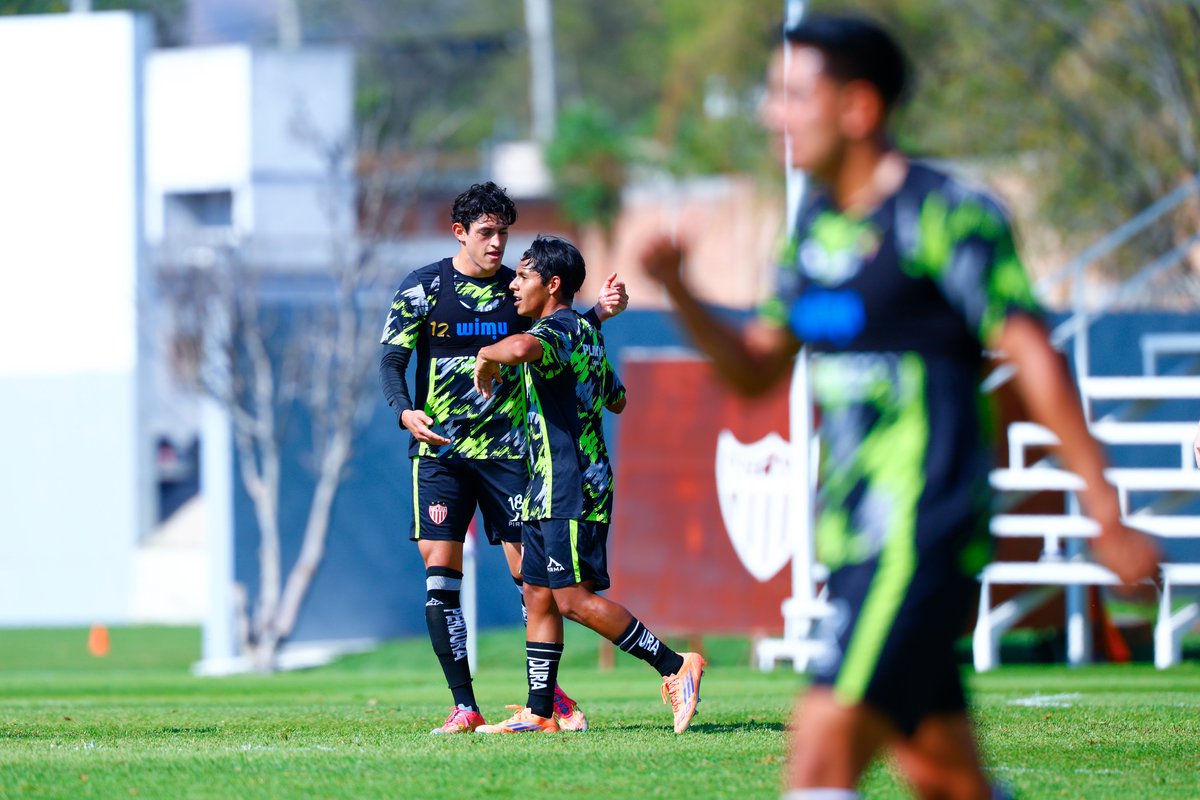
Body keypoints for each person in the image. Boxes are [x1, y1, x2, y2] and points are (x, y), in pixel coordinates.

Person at [637, 13, 1160, 799]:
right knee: (943, 776)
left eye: (791, 95)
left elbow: (1033, 356)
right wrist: (682, 295)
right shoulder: (812, 230)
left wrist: (1104, 509)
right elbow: (754, 372)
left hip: (922, 527)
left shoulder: (945, 213)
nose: (772, 115)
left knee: (817, 754)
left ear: (858, 107)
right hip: (853, 536)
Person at [379, 182, 628, 735]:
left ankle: (548, 700)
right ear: (460, 233)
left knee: (534, 581)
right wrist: (403, 412)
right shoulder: (422, 289)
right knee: (440, 576)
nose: (498, 246)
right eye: (487, 234)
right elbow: (393, 361)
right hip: (440, 452)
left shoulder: (518, 293)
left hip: (510, 452)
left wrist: (597, 314)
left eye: (504, 234)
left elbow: (558, 334)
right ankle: (465, 704)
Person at [471, 235, 706, 734]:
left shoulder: (556, 330)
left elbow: (520, 347)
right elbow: (616, 399)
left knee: (570, 599)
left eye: (524, 275)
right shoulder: (582, 332)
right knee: (537, 594)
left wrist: (487, 355)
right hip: (547, 486)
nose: (513, 283)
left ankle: (675, 666)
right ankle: (539, 713)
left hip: (569, 485)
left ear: (553, 284)